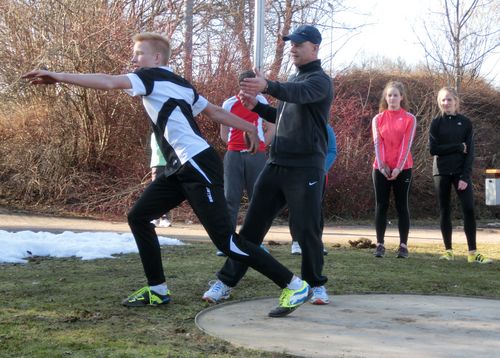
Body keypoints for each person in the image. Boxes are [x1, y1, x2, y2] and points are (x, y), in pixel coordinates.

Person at [23, 32, 313, 318]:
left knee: (227, 242)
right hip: (178, 167)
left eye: (138, 54)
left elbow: (109, 81)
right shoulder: (179, 84)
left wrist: (58, 75)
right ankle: (157, 289)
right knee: (138, 216)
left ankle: (293, 285)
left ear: (156, 57)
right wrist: (248, 127)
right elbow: (213, 111)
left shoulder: (149, 77)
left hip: (197, 164)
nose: (133, 59)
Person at [202, 24, 333, 305]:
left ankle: (315, 285)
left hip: (307, 167)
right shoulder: (293, 79)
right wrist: (257, 108)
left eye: (299, 43)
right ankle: (225, 282)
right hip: (276, 164)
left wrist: (269, 86)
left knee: (307, 228)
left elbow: (296, 95)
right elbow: (284, 114)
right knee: (250, 230)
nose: (293, 48)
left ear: (314, 47)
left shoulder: (320, 81)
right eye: (291, 44)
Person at [429, 87, 492, 264]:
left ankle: (473, 253)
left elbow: (470, 152)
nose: (446, 103)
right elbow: (433, 150)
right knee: (444, 211)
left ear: (456, 101)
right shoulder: (436, 123)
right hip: (441, 172)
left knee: (469, 210)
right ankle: (448, 251)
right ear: (439, 102)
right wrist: (457, 147)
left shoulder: (465, 122)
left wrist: (464, 176)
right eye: (443, 100)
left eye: (449, 99)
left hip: (460, 172)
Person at [215, 70, 275, 257]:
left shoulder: (262, 102)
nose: (248, 88)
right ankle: (228, 242)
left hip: (257, 156)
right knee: (230, 198)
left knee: (257, 198)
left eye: (252, 84)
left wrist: (261, 144)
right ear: (240, 85)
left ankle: (254, 241)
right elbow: (224, 133)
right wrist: (235, 145)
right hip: (233, 155)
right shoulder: (229, 103)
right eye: (245, 85)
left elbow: (272, 126)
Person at [371, 81, 416, 258]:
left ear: (401, 97)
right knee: (381, 205)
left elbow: (406, 144)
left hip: (403, 168)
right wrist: (382, 166)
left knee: (401, 205)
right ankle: (380, 244)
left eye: (395, 95)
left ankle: (403, 245)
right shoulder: (378, 119)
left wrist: (398, 168)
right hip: (381, 168)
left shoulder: (409, 118)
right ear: (385, 98)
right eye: (389, 95)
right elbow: (377, 142)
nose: (392, 98)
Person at [291, 123, 337, 255]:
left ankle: (316, 242)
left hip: (319, 174)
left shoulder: (326, 128)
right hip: (297, 174)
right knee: (296, 206)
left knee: (315, 208)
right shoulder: (295, 127)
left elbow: (332, 151)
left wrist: (319, 170)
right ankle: (296, 242)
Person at [150, 133, 171, 228]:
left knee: (166, 192)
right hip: (157, 164)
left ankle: (164, 217)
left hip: (169, 164)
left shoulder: (169, 133)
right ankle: (155, 216)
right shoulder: (155, 134)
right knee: (155, 193)